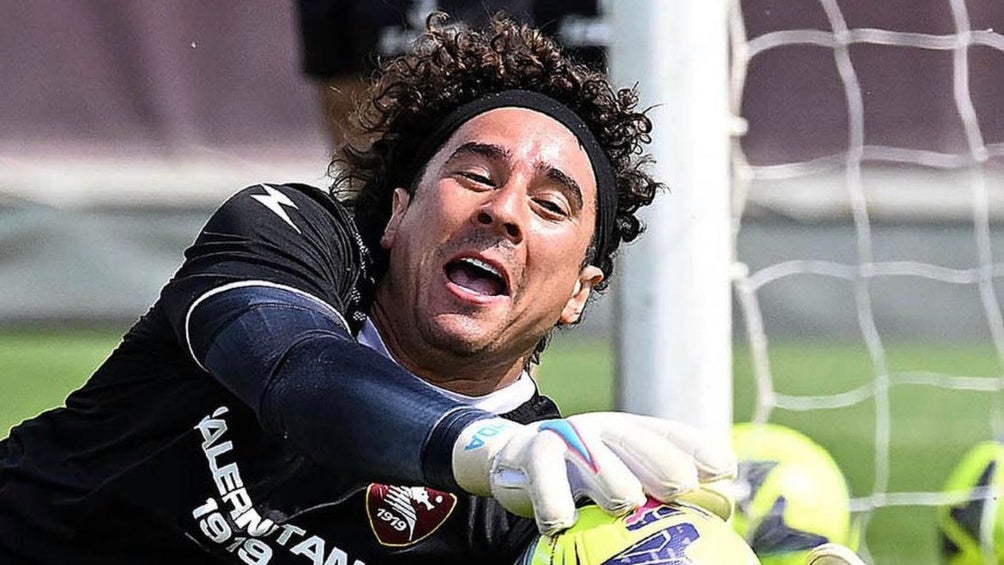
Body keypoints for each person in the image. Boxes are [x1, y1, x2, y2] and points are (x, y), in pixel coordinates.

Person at [0, 13, 735, 565]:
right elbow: (301, 374)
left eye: (550, 205)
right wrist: (488, 450)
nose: (502, 210)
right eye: (476, 174)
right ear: (396, 212)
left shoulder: (534, 506)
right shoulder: (288, 237)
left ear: (580, 291)